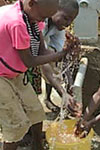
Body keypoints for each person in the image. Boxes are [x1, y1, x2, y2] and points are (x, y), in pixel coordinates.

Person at [0, 0, 80, 150]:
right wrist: (61, 55)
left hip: (14, 72)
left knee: (36, 111)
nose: (43, 22)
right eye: (43, 18)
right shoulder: (17, 23)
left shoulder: (33, 17)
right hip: (2, 76)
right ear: (32, 3)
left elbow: (42, 53)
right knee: (17, 126)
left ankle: (38, 146)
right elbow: (30, 61)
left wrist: (65, 54)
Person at [42, 0, 80, 112]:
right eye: (66, 18)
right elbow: (43, 62)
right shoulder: (40, 23)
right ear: (53, 10)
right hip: (16, 55)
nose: (68, 23)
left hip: (36, 51)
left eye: (71, 20)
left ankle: (47, 98)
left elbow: (62, 57)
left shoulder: (58, 26)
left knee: (53, 61)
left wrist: (70, 88)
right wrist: (63, 93)